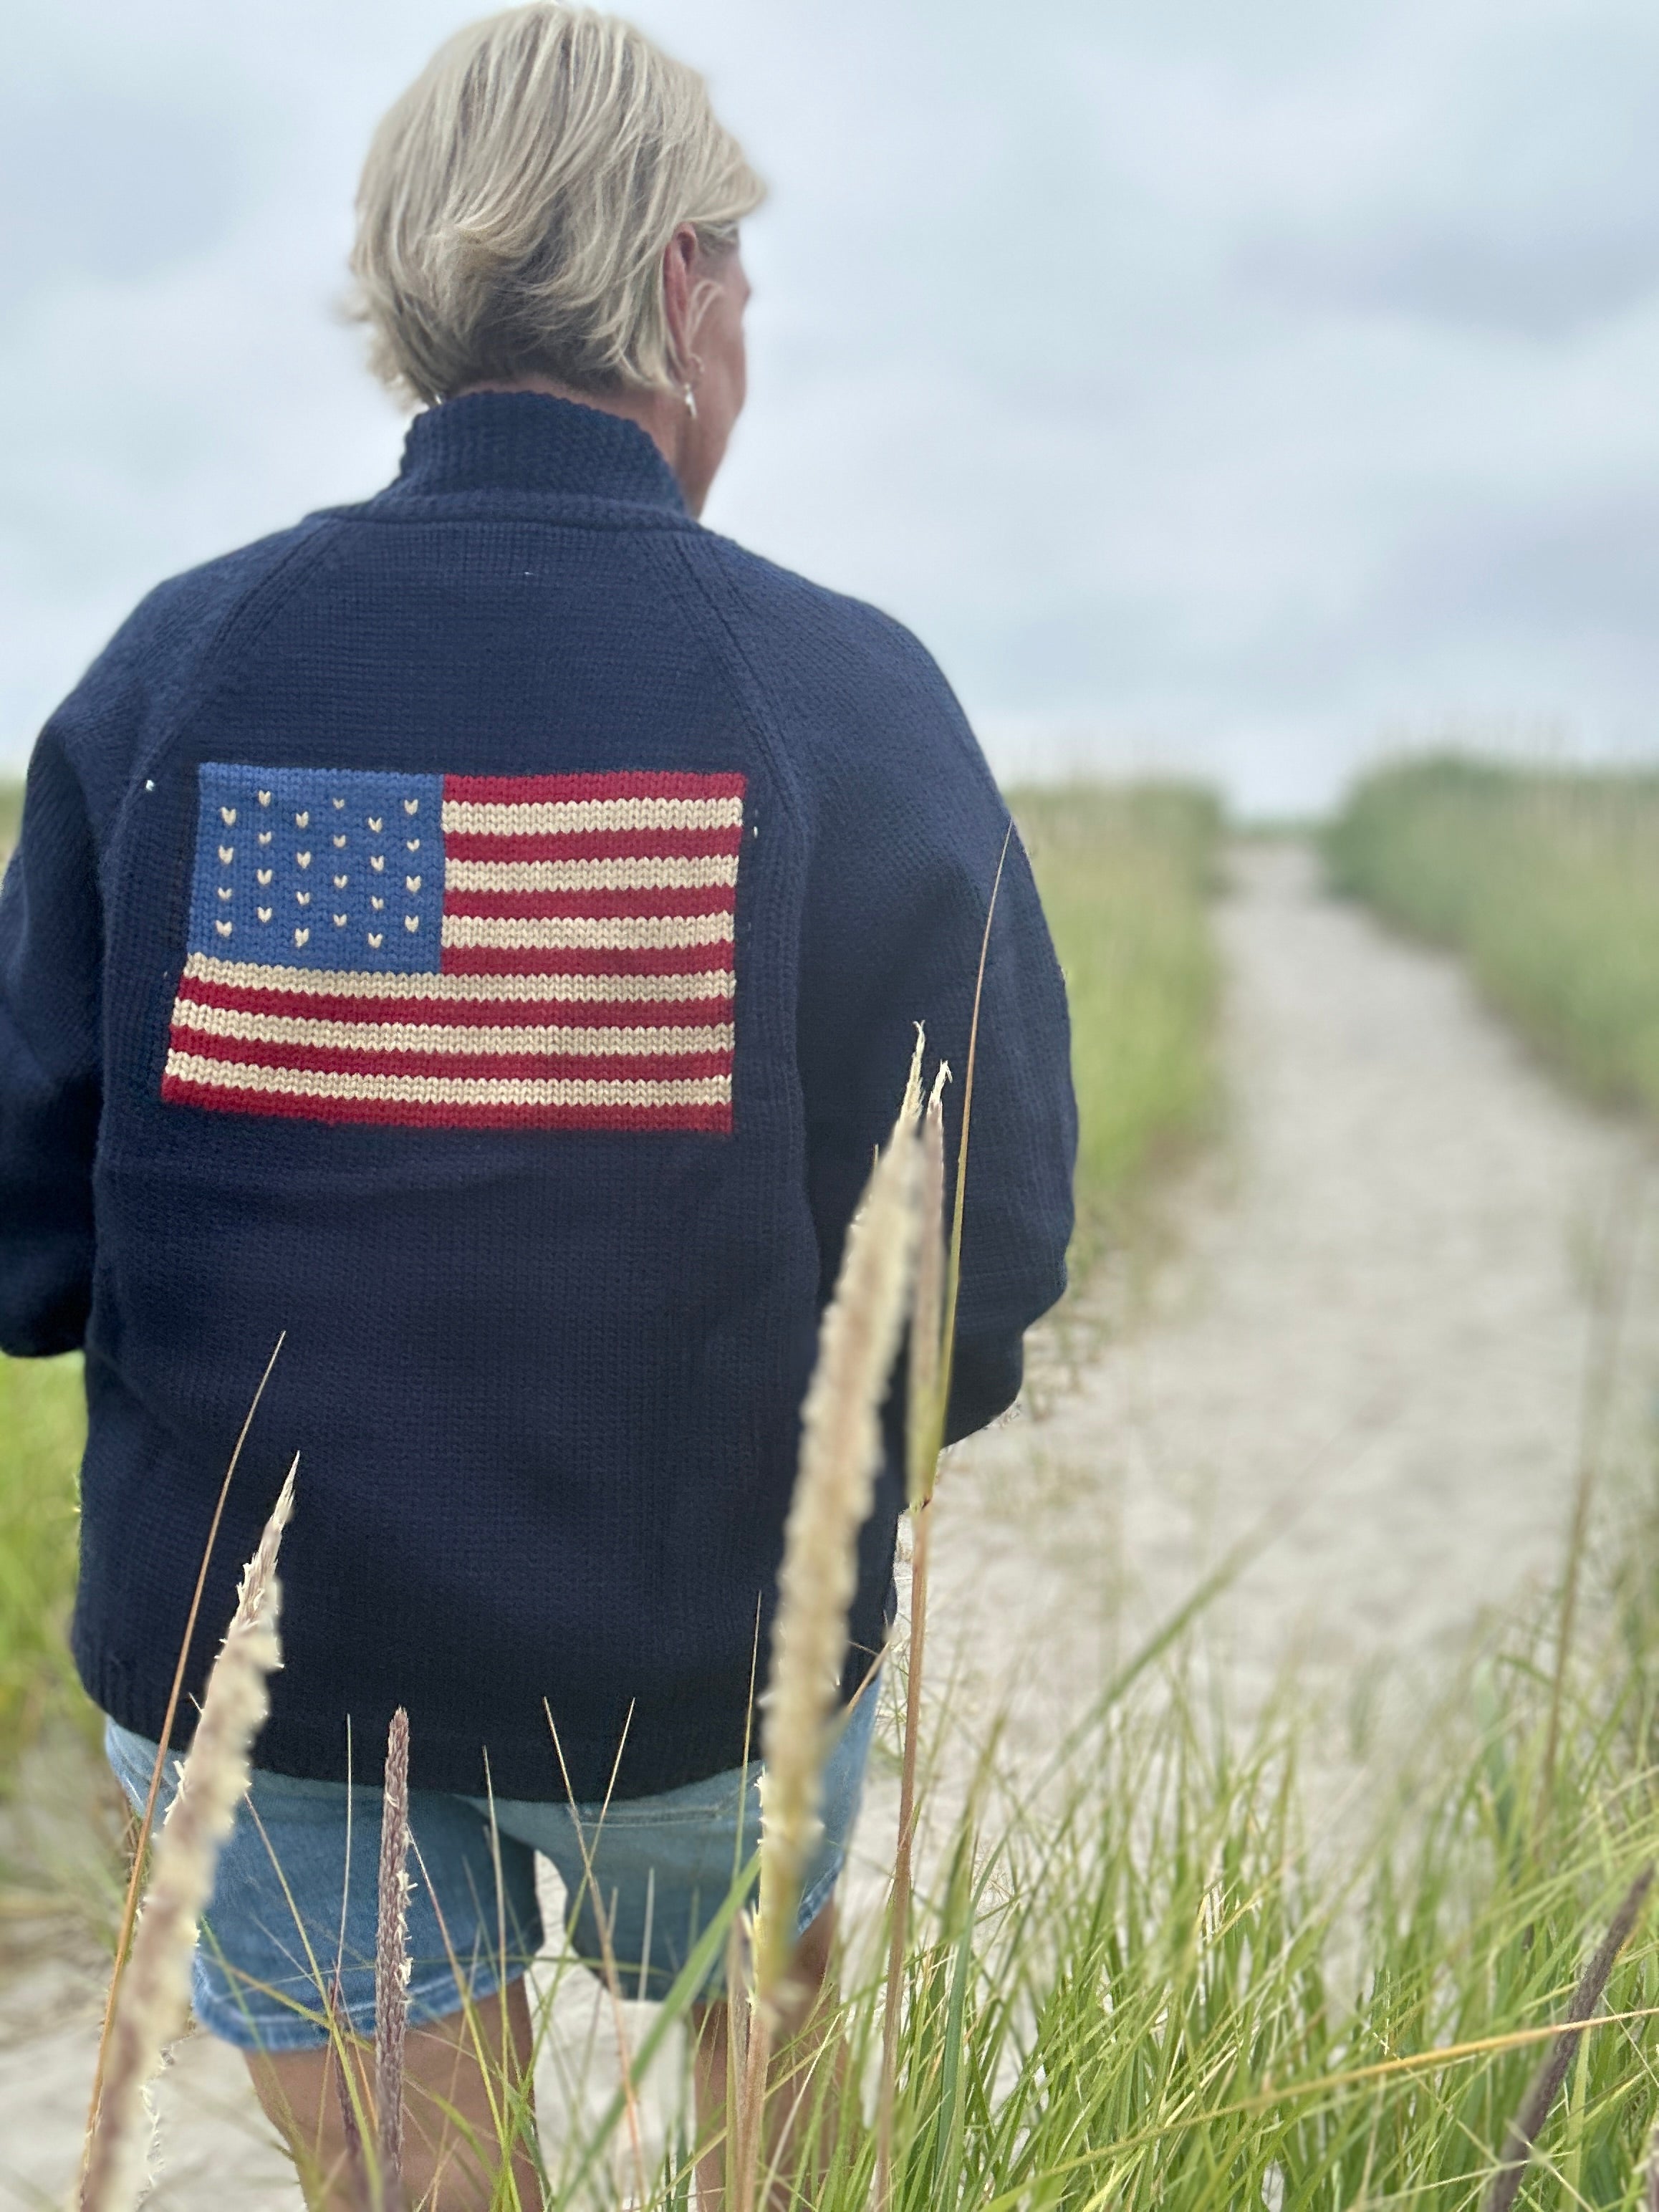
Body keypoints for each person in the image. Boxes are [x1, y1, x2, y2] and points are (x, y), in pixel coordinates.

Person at [0, 6, 1075, 2203]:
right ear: (683, 286)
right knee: (771, 2138)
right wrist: (835, 1482)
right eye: (744, 290)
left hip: (263, 1702)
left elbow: (27, 1239)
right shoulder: (844, 695)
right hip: (707, 1660)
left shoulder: (174, 669)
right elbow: (985, 1248)